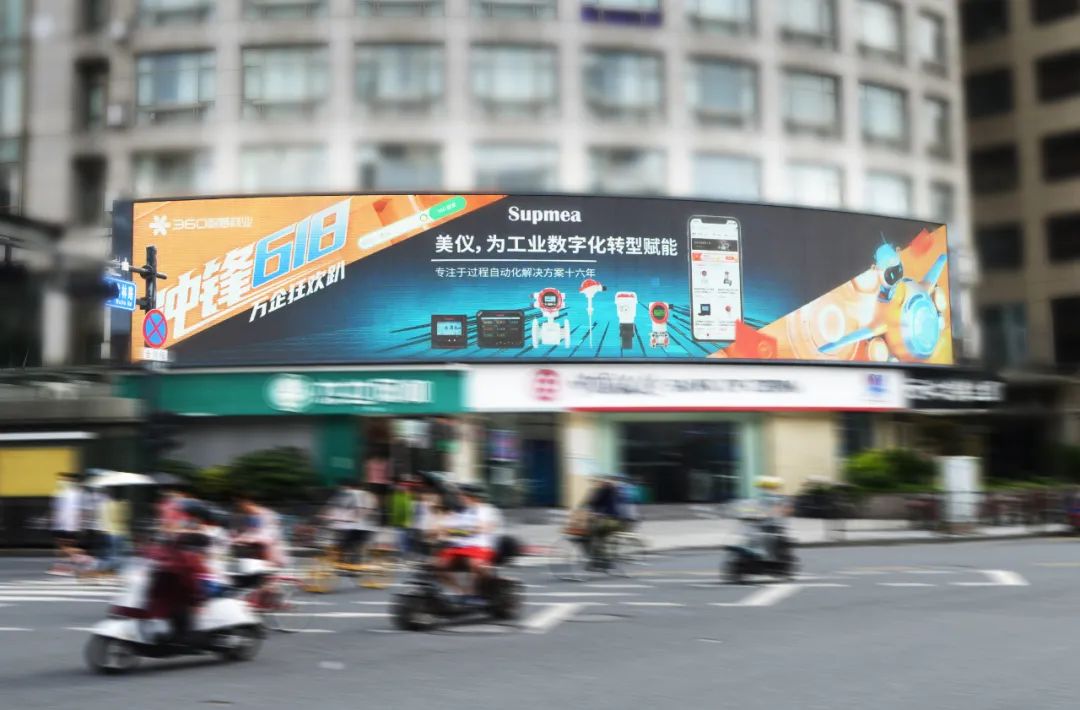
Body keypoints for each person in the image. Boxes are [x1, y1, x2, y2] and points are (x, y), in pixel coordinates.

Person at [435, 484, 495, 599]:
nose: (460, 498)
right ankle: (460, 591)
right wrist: (441, 529)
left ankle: (473, 591)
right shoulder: (458, 511)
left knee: (474, 564)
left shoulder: (483, 509)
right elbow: (443, 528)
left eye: (463, 496)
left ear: (472, 497)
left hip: (478, 546)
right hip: (458, 547)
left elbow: (481, 528)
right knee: (438, 566)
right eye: (460, 495)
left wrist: (456, 532)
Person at [324, 482, 376, 565]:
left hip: (350, 526)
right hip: (365, 527)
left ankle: (345, 562)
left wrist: (352, 518)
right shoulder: (369, 495)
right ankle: (355, 562)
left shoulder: (351, 494)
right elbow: (368, 509)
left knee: (345, 546)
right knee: (357, 547)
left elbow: (359, 509)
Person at [234, 496, 288, 569]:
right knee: (249, 544)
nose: (244, 510)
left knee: (265, 543)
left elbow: (266, 532)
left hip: (270, 539)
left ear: (250, 504)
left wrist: (246, 538)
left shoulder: (265, 514)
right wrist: (241, 537)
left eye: (245, 506)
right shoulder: (253, 515)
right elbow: (251, 530)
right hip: (263, 538)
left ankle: (271, 562)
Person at [48, 473, 82, 576]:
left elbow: (56, 510)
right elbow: (55, 510)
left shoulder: (71, 493)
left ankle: (77, 560)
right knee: (63, 547)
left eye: (63, 480)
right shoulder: (62, 493)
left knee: (64, 547)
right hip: (65, 525)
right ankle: (63, 566)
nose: (61, 482)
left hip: (68, 525)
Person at [97, 487, 131, 574]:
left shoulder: (105, 504)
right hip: (122, 531)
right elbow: (127, 517)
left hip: (110, 531)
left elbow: (103, 518)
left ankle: (111, 570)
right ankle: (117, 570)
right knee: (120, 553)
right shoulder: (125, 504)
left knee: (111, 553)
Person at [388, 480, 414, 558]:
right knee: (399, 539)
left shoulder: (405, 496)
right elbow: (394, 508)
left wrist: (408, 521)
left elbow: (407, 510)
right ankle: (400, 554)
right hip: (398, 522)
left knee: (401, 539)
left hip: (403, 523)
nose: (400, 488)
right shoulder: (397, 496)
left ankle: (403, 554)